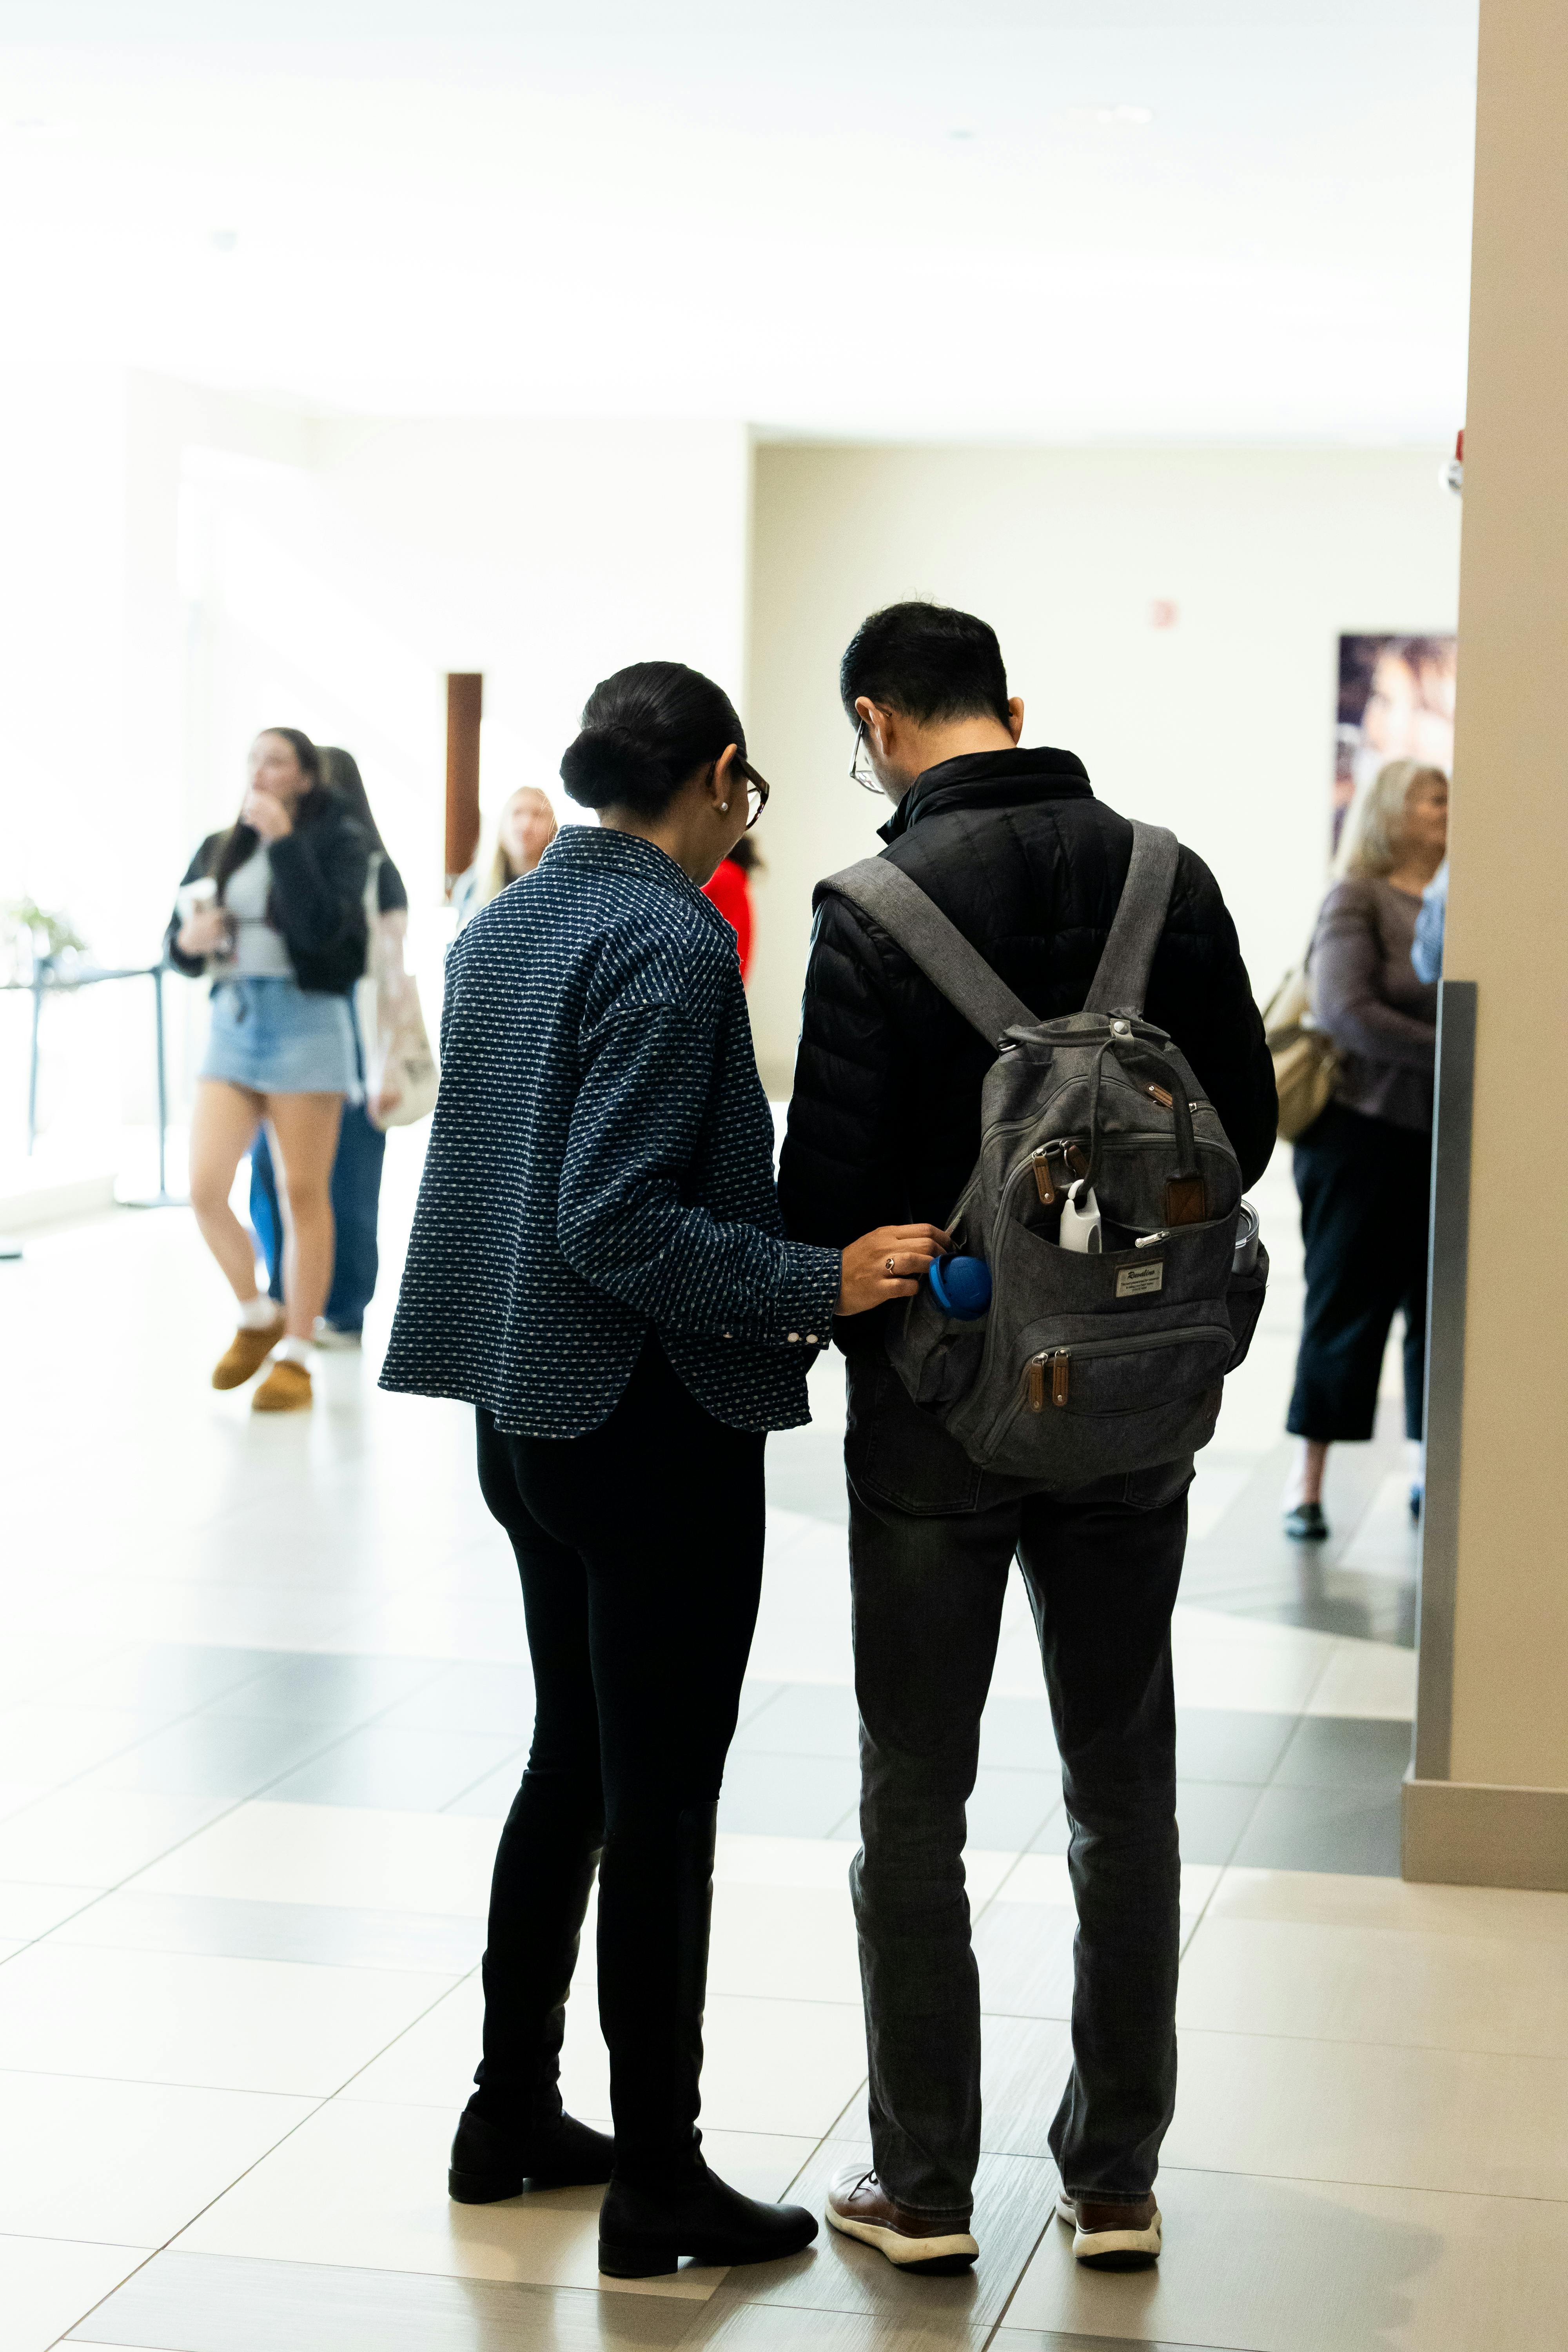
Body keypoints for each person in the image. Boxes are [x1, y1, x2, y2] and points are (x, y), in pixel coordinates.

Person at [379, 660, 946, 2277]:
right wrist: (818, 1281)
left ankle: (510, 2113)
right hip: (644, 1426)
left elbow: (537, 1201)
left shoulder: (504, 925)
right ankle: (660, 2178)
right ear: (714, 773)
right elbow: (615, 1219)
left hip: (526, 1415)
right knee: (663, 1801)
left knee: (572, 1764)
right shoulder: (671, 937)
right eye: (744, 797)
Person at [777, 601, 1277, 2276]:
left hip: (933, 1408)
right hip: (1132, 1402)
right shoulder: (1164, 873)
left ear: (876, 721)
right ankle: (1114, 2175)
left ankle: (921, 2187)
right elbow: (1246, 1131)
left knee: (912, 1792)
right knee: (1120, 1782)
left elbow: (826, 1195)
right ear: (1009, 702)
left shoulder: (867, 908)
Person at [167, 727, 368, 1412]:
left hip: (307, 1025)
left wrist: (285, 840)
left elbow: (330, 939)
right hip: (235, 1020)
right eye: (254, 760)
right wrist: (188, 943)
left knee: (302, 1194)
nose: (261, 772)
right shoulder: (221, 845)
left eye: (276, 761)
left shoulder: (339, 844)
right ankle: (257, 1315)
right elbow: (178, 942)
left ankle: (299, 1354)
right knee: (204, 1188)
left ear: (306, 777)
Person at [1282, 759, 1446, 1539]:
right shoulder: (1356, 895)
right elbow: (1345, 1011)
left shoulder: (1461, 899)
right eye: (1431, 795)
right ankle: (1306, 1480)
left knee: (1437, 1311)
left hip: (1440, 1136)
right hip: (1355, 1135)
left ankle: (1427, 1468)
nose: (1447, 806)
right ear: (1388, 811)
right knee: (1344, 1307)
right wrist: (1459, 1047)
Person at [247, 748, 408, 1345]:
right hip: (289, 1028)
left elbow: (391, 973)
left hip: (358, 1029)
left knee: (349, 1180)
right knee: (275, 1173)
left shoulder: (370, 866)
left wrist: (388, 1059)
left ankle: (342, 1307)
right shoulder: (276, 858)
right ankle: (289, 1295)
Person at [452, 784, 559, 925]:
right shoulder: (472, 885)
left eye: (537, 814)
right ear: (501, 824)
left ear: (553, 827)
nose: (526, 824)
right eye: (517, 813)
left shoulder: (560, 885)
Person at [701, 833, 759, 981]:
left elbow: (681, 908)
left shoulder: (723, 875)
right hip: (727, 982)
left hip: (709, 975)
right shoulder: (739, 885)